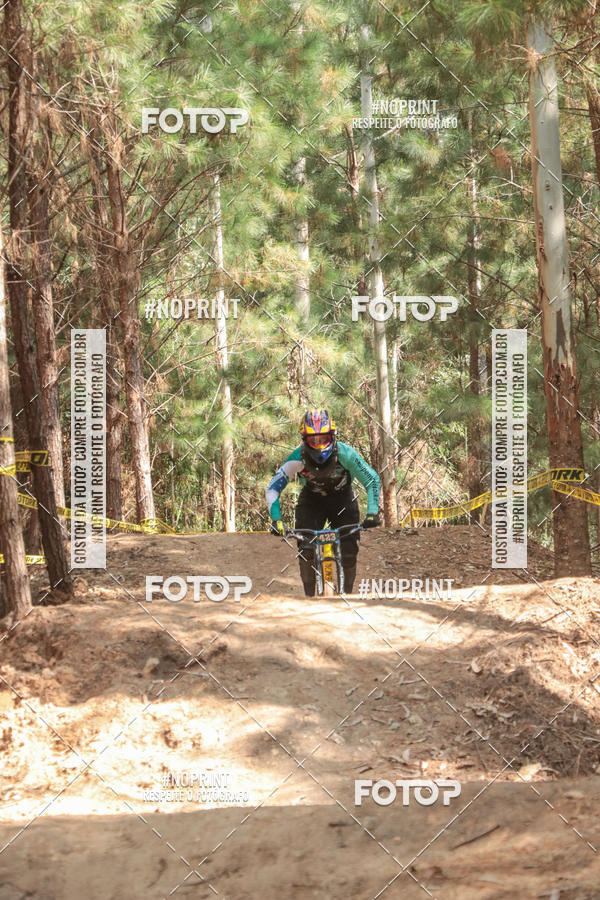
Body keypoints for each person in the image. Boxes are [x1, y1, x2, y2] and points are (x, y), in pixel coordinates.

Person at [265, 408, 381, 595]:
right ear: (305, 440)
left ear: (333, 437)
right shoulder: (297, 458)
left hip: (343, 499)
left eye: (323, 440)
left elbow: (371, 479)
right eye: (314, 441)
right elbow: (272, 488)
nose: (319, 446)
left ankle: (347, 595)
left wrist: (372, 513)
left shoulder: (346, 454)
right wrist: (276, 519)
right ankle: (310, 598)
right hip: (312, 501)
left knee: (349, 549)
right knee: (306, 549)